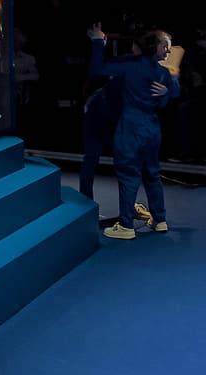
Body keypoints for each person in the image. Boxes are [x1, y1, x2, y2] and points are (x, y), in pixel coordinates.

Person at [89, 25, 179, 240]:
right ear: (154, 47)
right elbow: (174, 94)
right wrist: (168, 91)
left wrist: (98, 43)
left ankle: (126, 225)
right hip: (152, 129)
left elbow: (97, 70)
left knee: (128, 176)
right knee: (152, 174)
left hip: (130, 129)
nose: (168, 51)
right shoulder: (163, 73)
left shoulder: (130, 67)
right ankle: (159, 220)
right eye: (165, 46)